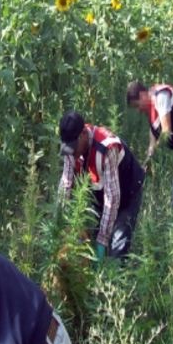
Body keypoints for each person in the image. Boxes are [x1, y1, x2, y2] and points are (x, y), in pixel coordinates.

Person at [58, 111, 145, 261]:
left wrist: (102, 240)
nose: (72, 154)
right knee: (87, 241)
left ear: (83, 134)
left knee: (117, 245)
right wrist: (60, 225)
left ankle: (114, 279)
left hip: (127, 193)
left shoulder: (107, 147)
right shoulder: (71, 149)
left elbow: (112, 198)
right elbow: (66, 183)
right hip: (100, 193)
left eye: (73, 147)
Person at [126, 81, 173, 208]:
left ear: (142, 95)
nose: (138, 110)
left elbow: (166, 130)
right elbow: (152, 143)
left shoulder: (160, 96)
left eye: (137, 105)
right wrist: (148, 162)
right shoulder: (151, 114)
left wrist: (156, 152)